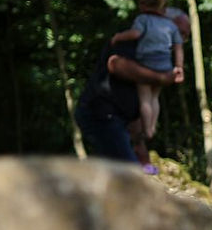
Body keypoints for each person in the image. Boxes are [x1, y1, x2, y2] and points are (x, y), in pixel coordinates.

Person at [73, 29, 180, 164]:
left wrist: (140, 143)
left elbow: (143, 101)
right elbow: (114, 63)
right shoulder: (135, 40)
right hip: (102, 113)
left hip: (120, 119)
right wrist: (160, 78)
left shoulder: (160, 57)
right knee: (128, 170)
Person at [111, 0, 183, 146]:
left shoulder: (142, 19)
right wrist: (179, 67)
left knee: (144, 98)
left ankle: (147, 130)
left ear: (143, 4)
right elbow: (178, 46)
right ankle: (153, 127)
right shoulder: (170, 24)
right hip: (164, 67)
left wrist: (119, 37)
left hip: (146, 64)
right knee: (154, 97)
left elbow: (135, 34)